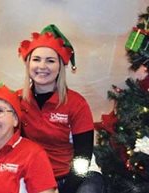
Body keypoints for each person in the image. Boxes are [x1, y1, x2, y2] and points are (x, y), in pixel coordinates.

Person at [18, 24, 105, 193]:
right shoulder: (17, 101)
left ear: (60, 67)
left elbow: (83, 157)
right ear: (28, 64)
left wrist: (66, 190)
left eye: (50, 61)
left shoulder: (76, 103)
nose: (42, 66)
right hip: (37, 177)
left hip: (78, 174)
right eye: (36, 59)